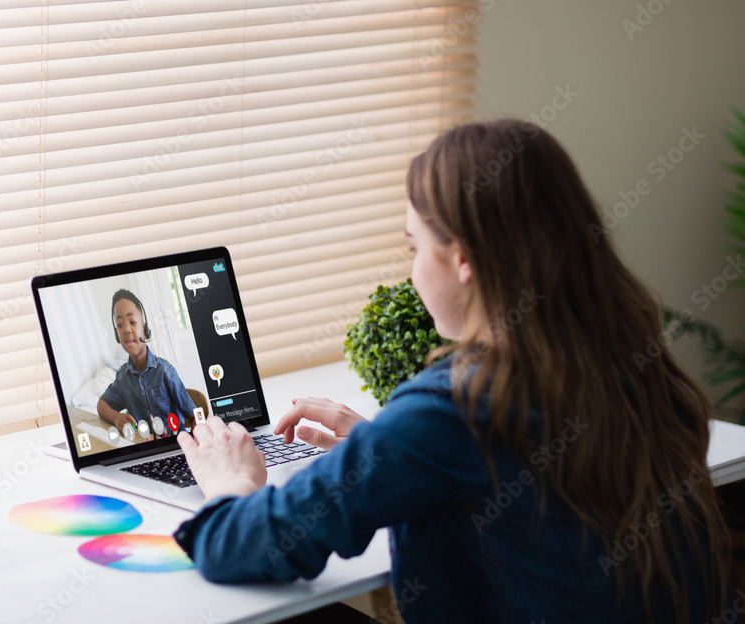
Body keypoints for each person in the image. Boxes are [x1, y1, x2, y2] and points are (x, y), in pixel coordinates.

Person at [173, 119, 731, 623]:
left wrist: (230, 481)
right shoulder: (634, 364)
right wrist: (384, 447)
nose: (412, 268)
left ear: (462, 259)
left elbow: (240, 546)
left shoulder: (455, 408)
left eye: (415, 246)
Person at [97, 288, 197, 439]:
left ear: (145, 329)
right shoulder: (122, 378)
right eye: (120, 325)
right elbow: (101, 404)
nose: (127, 329)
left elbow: (194, 416)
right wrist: (116, 417)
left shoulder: (165, 371)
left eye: (132, 322)